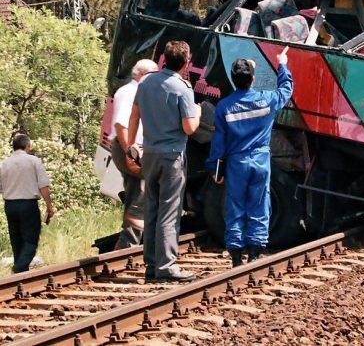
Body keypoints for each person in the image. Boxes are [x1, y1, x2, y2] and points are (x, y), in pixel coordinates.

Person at [206, 47, 293, 267]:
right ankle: (255, 253)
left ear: (234, 79)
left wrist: (216, 168)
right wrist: (282, 64)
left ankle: (236, 256)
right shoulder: (267, 100)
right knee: (260, 204)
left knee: (235, 205)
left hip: (237, 162)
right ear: (253, 79)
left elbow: (218, 142)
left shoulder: (224, 107)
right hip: (261, 161)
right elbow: (286, 89)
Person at [127, 41, 200, 282]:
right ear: (186, 63)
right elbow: (189, 128)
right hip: (172, 157)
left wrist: (131, 145)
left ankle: (150, 263)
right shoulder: (183, 89)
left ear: (164, 59)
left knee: (152, 209)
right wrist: (198, 114)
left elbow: (134, 115)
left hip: (149, 154)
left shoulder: (147, 82)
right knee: (169, 212)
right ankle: (167, 266)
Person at [109, 58, 158, 249]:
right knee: (139, 192)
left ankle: (130, 243)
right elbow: (121, 124)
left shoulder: (139, 92)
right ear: (143, 75)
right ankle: (127, 246)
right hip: (129, 148)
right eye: (154, 73)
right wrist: (129, 151)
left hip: (135, 148)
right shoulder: (128, 92)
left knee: (139, 191)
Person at [0, 134, 53, 273]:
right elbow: (43, 186)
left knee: (16, 239)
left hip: (10, 205)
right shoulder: (33, 161)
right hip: (28, 204)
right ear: (27, 146)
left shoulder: (4, 163)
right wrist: (49, 206)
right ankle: (19, 267)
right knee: (31, 239)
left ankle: (20, 273)